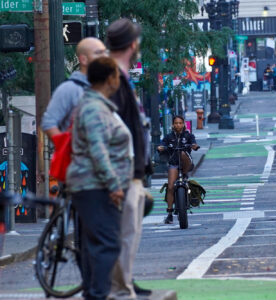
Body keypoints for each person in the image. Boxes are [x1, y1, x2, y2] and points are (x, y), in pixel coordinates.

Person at [66, 56, 134, 300]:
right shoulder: (94, 108)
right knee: (107, 243)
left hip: (92, 184)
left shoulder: (96, 105)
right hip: (94, 185)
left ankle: (94, 293)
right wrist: (114, 184)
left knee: (94, 243)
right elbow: (98, 149)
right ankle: (97, 294)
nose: (119, 79)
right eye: (116, 74)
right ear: (109, 79)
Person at [105, 18, 151, 299]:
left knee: (127, 237)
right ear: (133, 45)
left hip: (128, 171)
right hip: (122, 173)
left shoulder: (118, 76)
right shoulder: (113, 79)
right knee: (124, 237)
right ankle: (120, 291)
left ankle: (124, 287)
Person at [41, 37, 107, 138]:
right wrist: (66, 147)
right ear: (83, 59)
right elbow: (48, 123)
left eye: (104, 53)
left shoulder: (108, 88)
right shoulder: (69, 89)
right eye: (98, 53)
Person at [157, 115, 199, 224]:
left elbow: (194, 143)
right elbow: (162, 144)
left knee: (182, 153)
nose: (178, 125)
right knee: (170, 186)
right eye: (176, 123)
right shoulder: (169, 136)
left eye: (180, 123)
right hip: (174, 164)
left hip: (186, 163)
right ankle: (170, 213)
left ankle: (184, 174)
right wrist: (161, 147)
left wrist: (194, 146)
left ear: (183, 124)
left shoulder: (188, 135)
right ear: (173, 125)